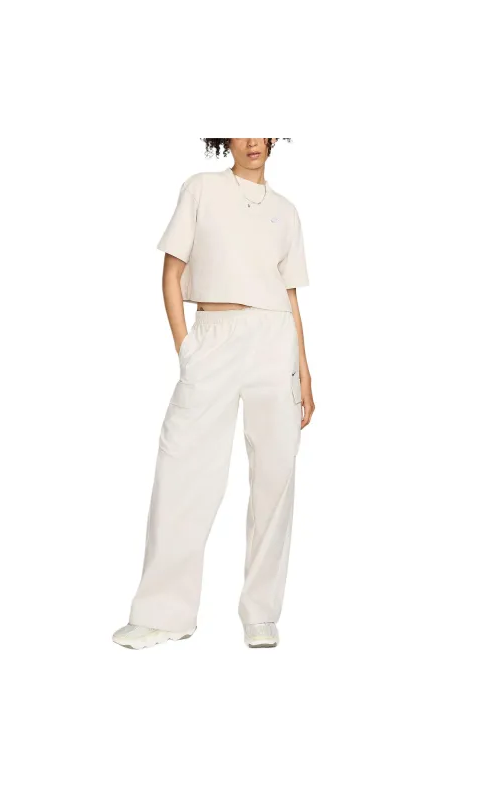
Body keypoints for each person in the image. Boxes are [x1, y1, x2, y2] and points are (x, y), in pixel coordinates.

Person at [112, 138, 315, 650]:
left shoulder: (287, 211)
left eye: (262, 129)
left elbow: (290, 294)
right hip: (213, 337)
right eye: (240, 129)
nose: (252, 140)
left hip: (274, 342)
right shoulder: (201, 188)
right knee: (183, 470)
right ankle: (163, 613)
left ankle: (261, 612)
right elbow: (172, 271)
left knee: (275, 476)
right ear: (223, 138)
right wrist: (186, 348)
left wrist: (305, 373)